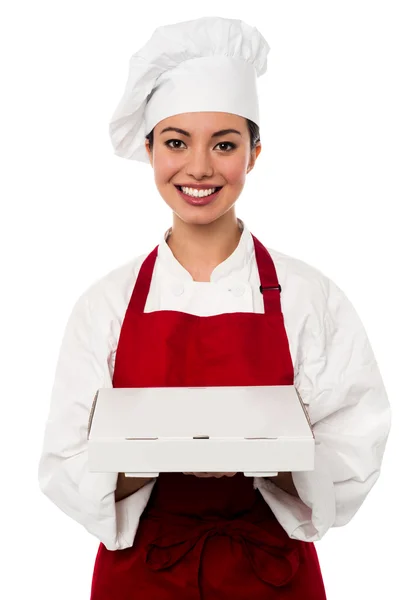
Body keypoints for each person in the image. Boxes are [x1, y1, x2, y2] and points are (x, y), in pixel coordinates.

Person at [38, 16, 391, 600]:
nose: (199, 167)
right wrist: (156, 459)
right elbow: (64, 462)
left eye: (224, 144)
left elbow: (356, 447)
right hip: (143, 572)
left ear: (254, 153)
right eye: (176, 142)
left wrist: (260, 461)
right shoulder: (106, 304)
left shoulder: (309, 297)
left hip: (269, 568)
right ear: (149, 149)